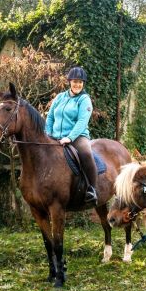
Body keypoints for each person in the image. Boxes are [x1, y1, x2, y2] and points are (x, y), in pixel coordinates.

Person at [45, 66, 98, 205]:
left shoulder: (84, 99)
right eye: (75, 81)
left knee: (86, 153)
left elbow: (82, 121)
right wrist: (48, 134)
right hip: (55, 137)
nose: (77, 84)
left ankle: (92, 189)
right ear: (69, 82)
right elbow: (50, 117)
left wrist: (70, 137)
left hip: (78, 137)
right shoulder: (60, 97)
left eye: (80, 82)